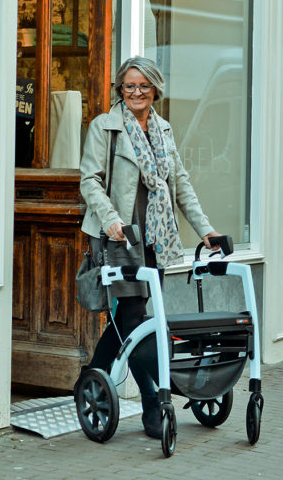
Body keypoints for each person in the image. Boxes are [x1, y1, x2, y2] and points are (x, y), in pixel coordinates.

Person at [79, 56, 221, 439]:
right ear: (119, 89)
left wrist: (205, 231)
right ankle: (154, 403)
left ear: (155, 89)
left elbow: (182, 185)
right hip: (119, 236)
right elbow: (89, 179)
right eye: (129, 86)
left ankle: (89, 377)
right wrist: (110, 219)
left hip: (155, 238)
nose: (136, 92)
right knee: (137, 318)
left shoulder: (163, 130)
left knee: (129, 320)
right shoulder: (105, 127)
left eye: (143, 86)